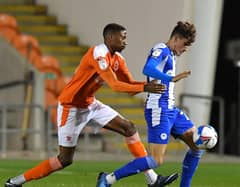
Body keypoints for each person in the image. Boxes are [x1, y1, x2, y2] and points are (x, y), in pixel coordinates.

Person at [5, 23, 178, 187]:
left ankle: (152, 179)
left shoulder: (118, 59)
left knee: (129, 128)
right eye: (122, 38)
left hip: (90, 104)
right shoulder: (98, 54)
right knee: (64, 160)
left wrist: (151, 85)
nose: (126, 41)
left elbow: (130, 87)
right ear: (110, 38)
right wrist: (145, 87)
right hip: (70, 107)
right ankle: (16, 181)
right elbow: (115, 85)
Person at [142, 21, 204, 187]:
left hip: (171, 110)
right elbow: (147, 68)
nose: (185, 49)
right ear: (176, 38)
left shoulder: (171, 54)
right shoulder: (161, 49)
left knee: (197, 146)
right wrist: (170, 78)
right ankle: (110, 178)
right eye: (185, 44)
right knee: (156, 160)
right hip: (159, 109)